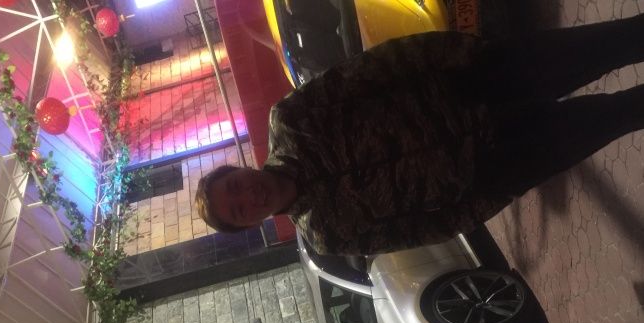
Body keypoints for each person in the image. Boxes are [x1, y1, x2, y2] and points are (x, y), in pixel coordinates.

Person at [196, 15, 644, 255]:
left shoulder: (291, 121)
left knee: (604, 45)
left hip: (474, 82)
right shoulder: (327, 235)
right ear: (251, 224)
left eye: (234, 186)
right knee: (614, 117)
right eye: (240, 210)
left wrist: (460, 52)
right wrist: (493, 191)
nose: (248, 196)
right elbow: (421, 229)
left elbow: (373, 69)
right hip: (496, 162)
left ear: (237, 169)